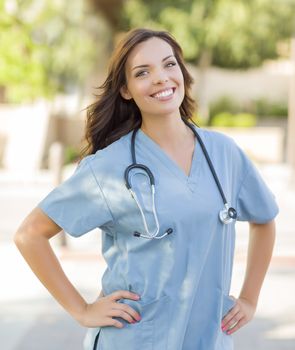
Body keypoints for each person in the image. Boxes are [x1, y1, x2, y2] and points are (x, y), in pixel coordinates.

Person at [14, 28, 278, 350]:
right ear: (126, 90)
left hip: (206, 339)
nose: (160, 78)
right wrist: (81, 309)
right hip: (135, 339)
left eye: (169, 65)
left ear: (182, 72)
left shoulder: (224, 153)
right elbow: (30, 234)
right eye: (143, 72)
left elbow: (264, 219)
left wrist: (249, 299)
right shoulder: (109, 167)